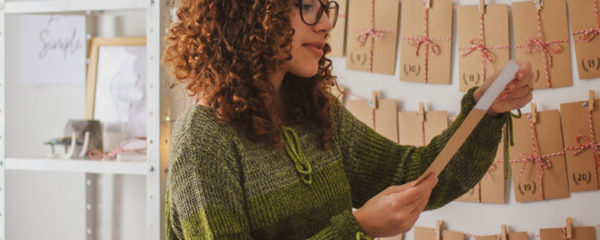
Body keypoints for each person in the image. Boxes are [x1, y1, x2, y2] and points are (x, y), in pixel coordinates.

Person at [162, 0, 534, 239]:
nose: (326, 23)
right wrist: (357, 229)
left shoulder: (315, 113)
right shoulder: (204, 139)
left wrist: (485, 110)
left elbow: (417, 176)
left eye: (327, 6)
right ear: (251, 12)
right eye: (308, 6)